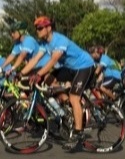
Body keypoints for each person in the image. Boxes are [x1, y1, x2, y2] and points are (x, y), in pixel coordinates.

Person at [22, 16, 95, 152]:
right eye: (36, 29)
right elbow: (35, 60)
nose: (37, 31)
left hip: (84, 66)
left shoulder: (59, 40)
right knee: (47, 80)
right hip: (70, 68)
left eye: (40, 28)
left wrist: (38, 75)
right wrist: (21, 74)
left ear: (49, 28)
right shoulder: (44, 44)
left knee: (74, 97)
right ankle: (66, 106)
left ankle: (78, 133)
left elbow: (53, 60)